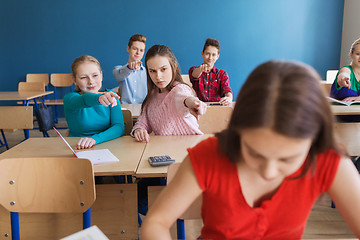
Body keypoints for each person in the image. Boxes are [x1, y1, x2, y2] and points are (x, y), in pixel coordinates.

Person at [141, 60, 360, 239]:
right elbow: (156, 223)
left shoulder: (326, 158)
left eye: (288, 159)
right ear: (237, 131)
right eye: (254, 154)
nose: (268, 172)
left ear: (314, 142)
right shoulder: (210, 155)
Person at [131, 44, 207, 143]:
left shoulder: (179, 89)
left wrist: (193, 103)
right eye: (153, 71)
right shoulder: (152, 96)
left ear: (173, 66)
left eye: (163, 69)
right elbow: (143, 123)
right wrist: (139, 130)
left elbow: (184, 98)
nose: (158, 76)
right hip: (165, 151)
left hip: (189, 149)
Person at [64, 55, 125, 150]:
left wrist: (95, 139)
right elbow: (84, 100)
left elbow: (119, 127)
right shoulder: (70, 99)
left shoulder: (111, 96)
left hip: (107, 145)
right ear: (74, 80)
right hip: (77, 147)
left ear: (101, 75)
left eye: (95, 75)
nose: (91, 81)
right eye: (83, 77)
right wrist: (99, 98)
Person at [188, 38, 233, 106]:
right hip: (198, 108)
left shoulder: (222, 74)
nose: (210, 58)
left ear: (217, 56)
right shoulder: (194, 69)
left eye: (213, 55)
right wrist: (201, 69)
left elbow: (227, 90)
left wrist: (229, 98)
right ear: (202, 54)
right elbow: (194, 75)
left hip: (216, 108)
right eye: (207, 54)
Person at [113, 34, 147, 104]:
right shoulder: (118, 70)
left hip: (143, 110)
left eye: (141, 50)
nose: (138, 52)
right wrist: (129, 68)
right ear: (128, 48)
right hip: (126, 110)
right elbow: (119, 75)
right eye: (135, 49)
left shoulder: (148, 72)